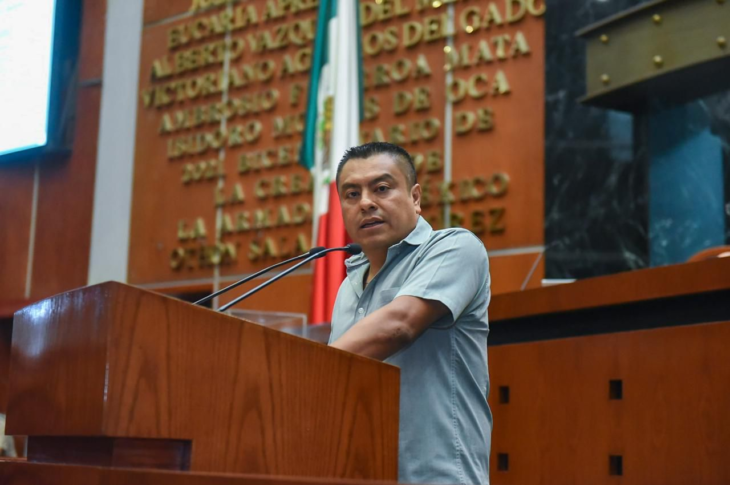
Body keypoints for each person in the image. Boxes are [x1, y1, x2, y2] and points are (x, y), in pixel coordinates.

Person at [328, 142, 493, 485]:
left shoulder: (455, 248)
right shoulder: (348, 287)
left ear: (415, 197)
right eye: (352, 194)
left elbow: (399, 324)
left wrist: (299, 369)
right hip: (363, 472)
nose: (366, 202)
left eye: (381, 188)